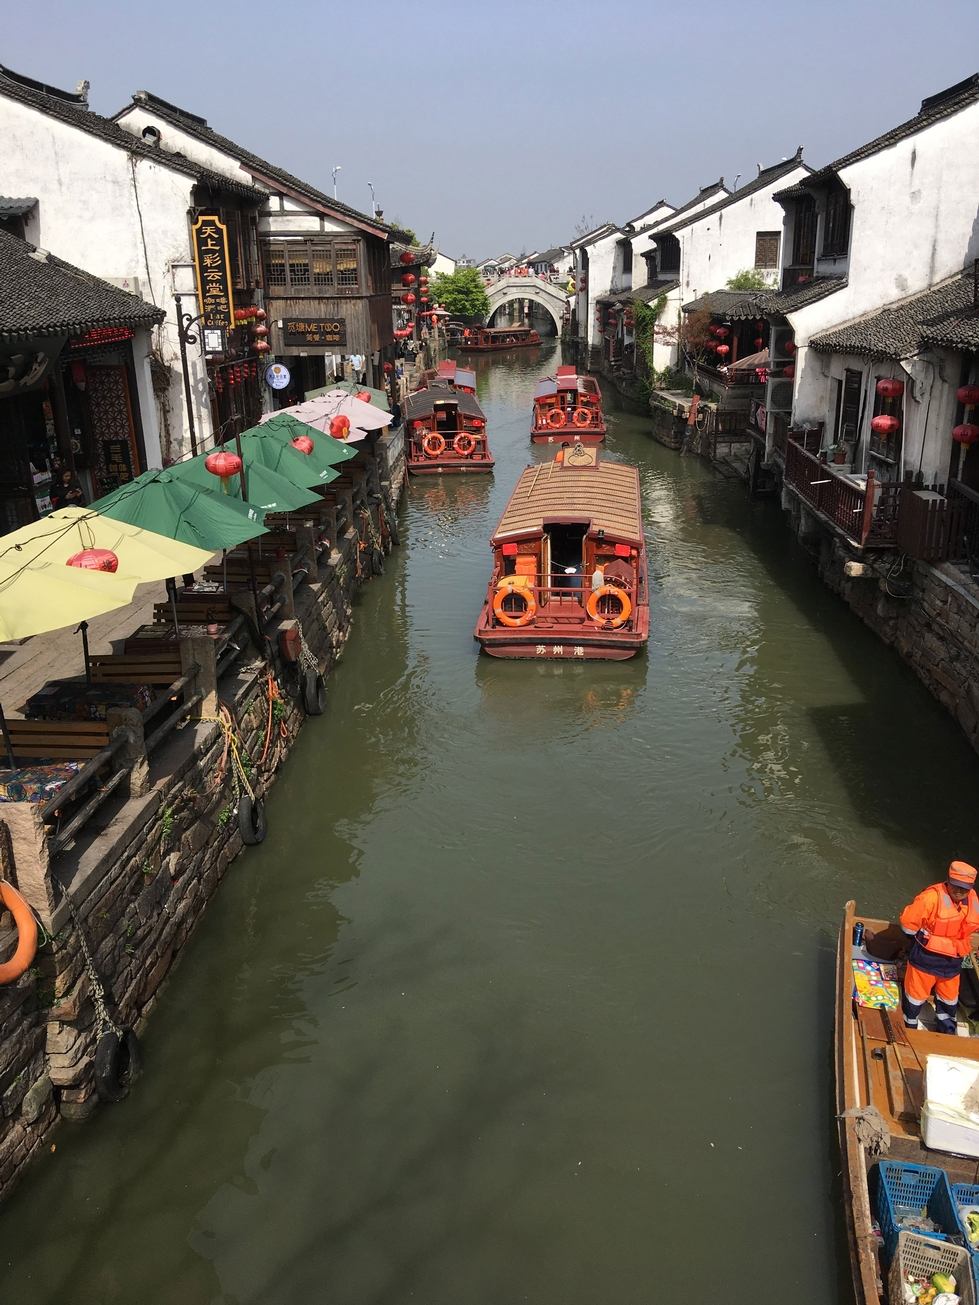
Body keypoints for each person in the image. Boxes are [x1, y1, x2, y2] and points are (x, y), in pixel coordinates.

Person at [899, 861, 979, 1033]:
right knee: (914, 998)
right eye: (955, 886)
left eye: (964, 889)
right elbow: (908, 925)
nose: (959, 892)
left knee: (949, 1000)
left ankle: (948, 1033)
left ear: (971, 887)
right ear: (948, 881)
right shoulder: (930, 898)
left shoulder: (973, 900)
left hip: (952, 964)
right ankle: (909, 1029)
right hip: (924, 961)